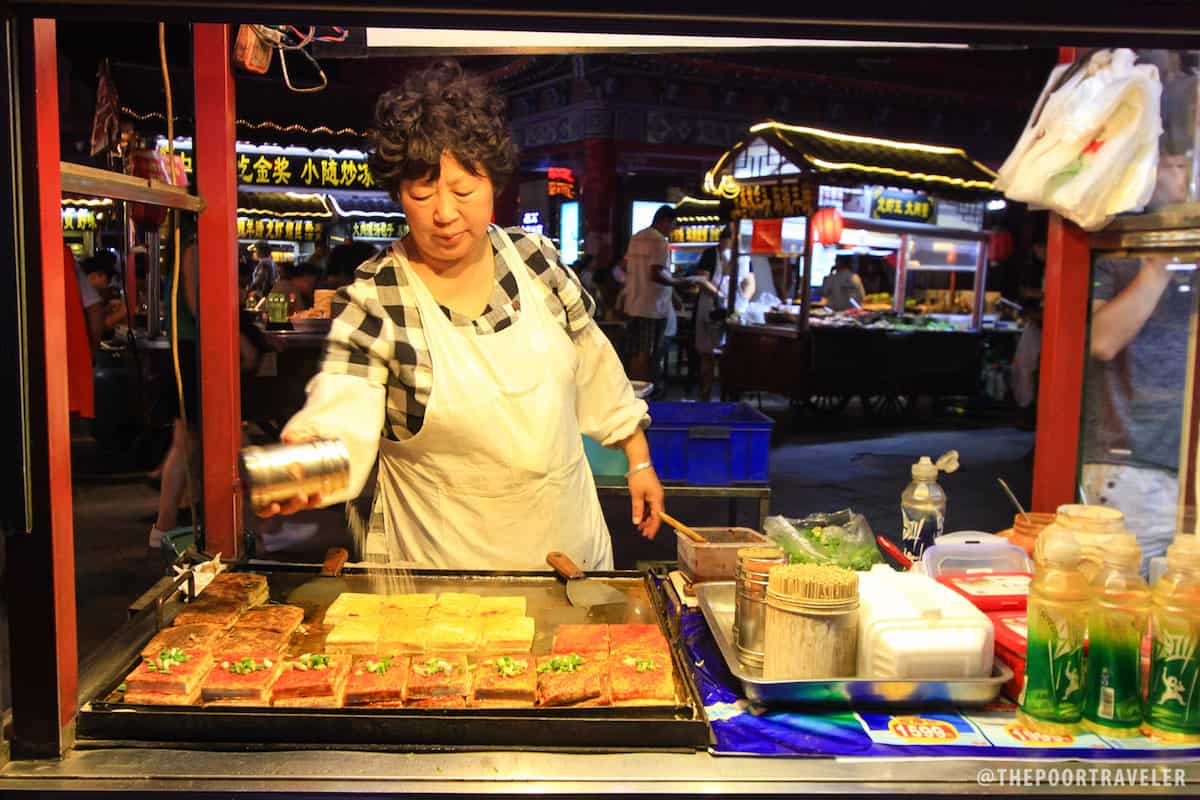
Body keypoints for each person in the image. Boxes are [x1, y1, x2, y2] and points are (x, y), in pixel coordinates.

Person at [260, 60, 664, 570]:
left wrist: (638, 459)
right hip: (439, 575)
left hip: (566, 555)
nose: (445, 213)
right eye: (422, 194)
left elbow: (594, 366)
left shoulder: (537, 261)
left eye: (464, 191)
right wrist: (308, 462)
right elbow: (344, 403)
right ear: (398, 196)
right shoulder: (377, 295)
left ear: (494, 182)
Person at [1084, 253, 1191, 573]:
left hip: (1184, 466)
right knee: (1113, 603)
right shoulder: (1116, 258)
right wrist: (1159, 268)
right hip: (1132, 467)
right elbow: (1101, 341)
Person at [622, 205, 696, 384]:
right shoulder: (660, 241)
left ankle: (634, 393)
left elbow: (627, 267)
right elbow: (656, 273)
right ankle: (644, 397)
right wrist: (680, 282)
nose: (673, 229)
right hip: (652, 308)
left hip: (633, 304)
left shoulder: (636, 237)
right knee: (646, 353)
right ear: (664, 221)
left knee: (636, 351)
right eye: (672, 224)